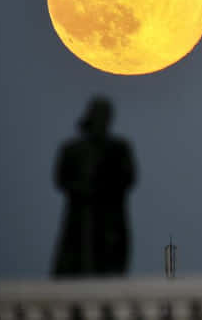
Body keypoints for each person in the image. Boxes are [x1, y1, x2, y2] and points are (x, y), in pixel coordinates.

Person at [51, 96, 136, 276]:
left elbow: (128, 178)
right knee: (77, 256)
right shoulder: (72, 150)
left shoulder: (119, 149)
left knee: (109, 259)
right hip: (81, 215)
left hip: (110, 216)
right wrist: (82, 189)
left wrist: (104, 188)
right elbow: (61, 178)